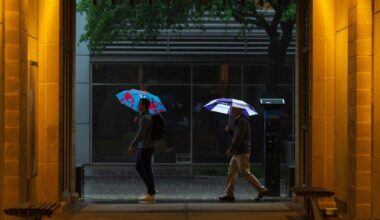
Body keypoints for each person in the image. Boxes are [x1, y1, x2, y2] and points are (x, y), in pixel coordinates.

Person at [219, 107, 268, 202]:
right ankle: (229, 194)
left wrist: (231, 149)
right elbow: (237, 136)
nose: (231, 111)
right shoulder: (239, 121)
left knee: (245, 172)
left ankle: (262, 190)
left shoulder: (242, 122)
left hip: (241, 152)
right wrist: (230, 131)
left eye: (233, 109)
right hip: (238, 152)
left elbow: (239, 138)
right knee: (231, 172)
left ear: (239, 111)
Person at [128, 98, 156, 202]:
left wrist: (132, 145)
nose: (137, 105)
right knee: (139, 167)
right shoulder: (145, 116)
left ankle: (151, 193)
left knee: (146, 169)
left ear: (143, 106)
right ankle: (151, 188)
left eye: (139, 104)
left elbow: (140, 134)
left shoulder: (145, 118)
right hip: (146, 146)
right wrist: (138, 118)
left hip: (145, 147)